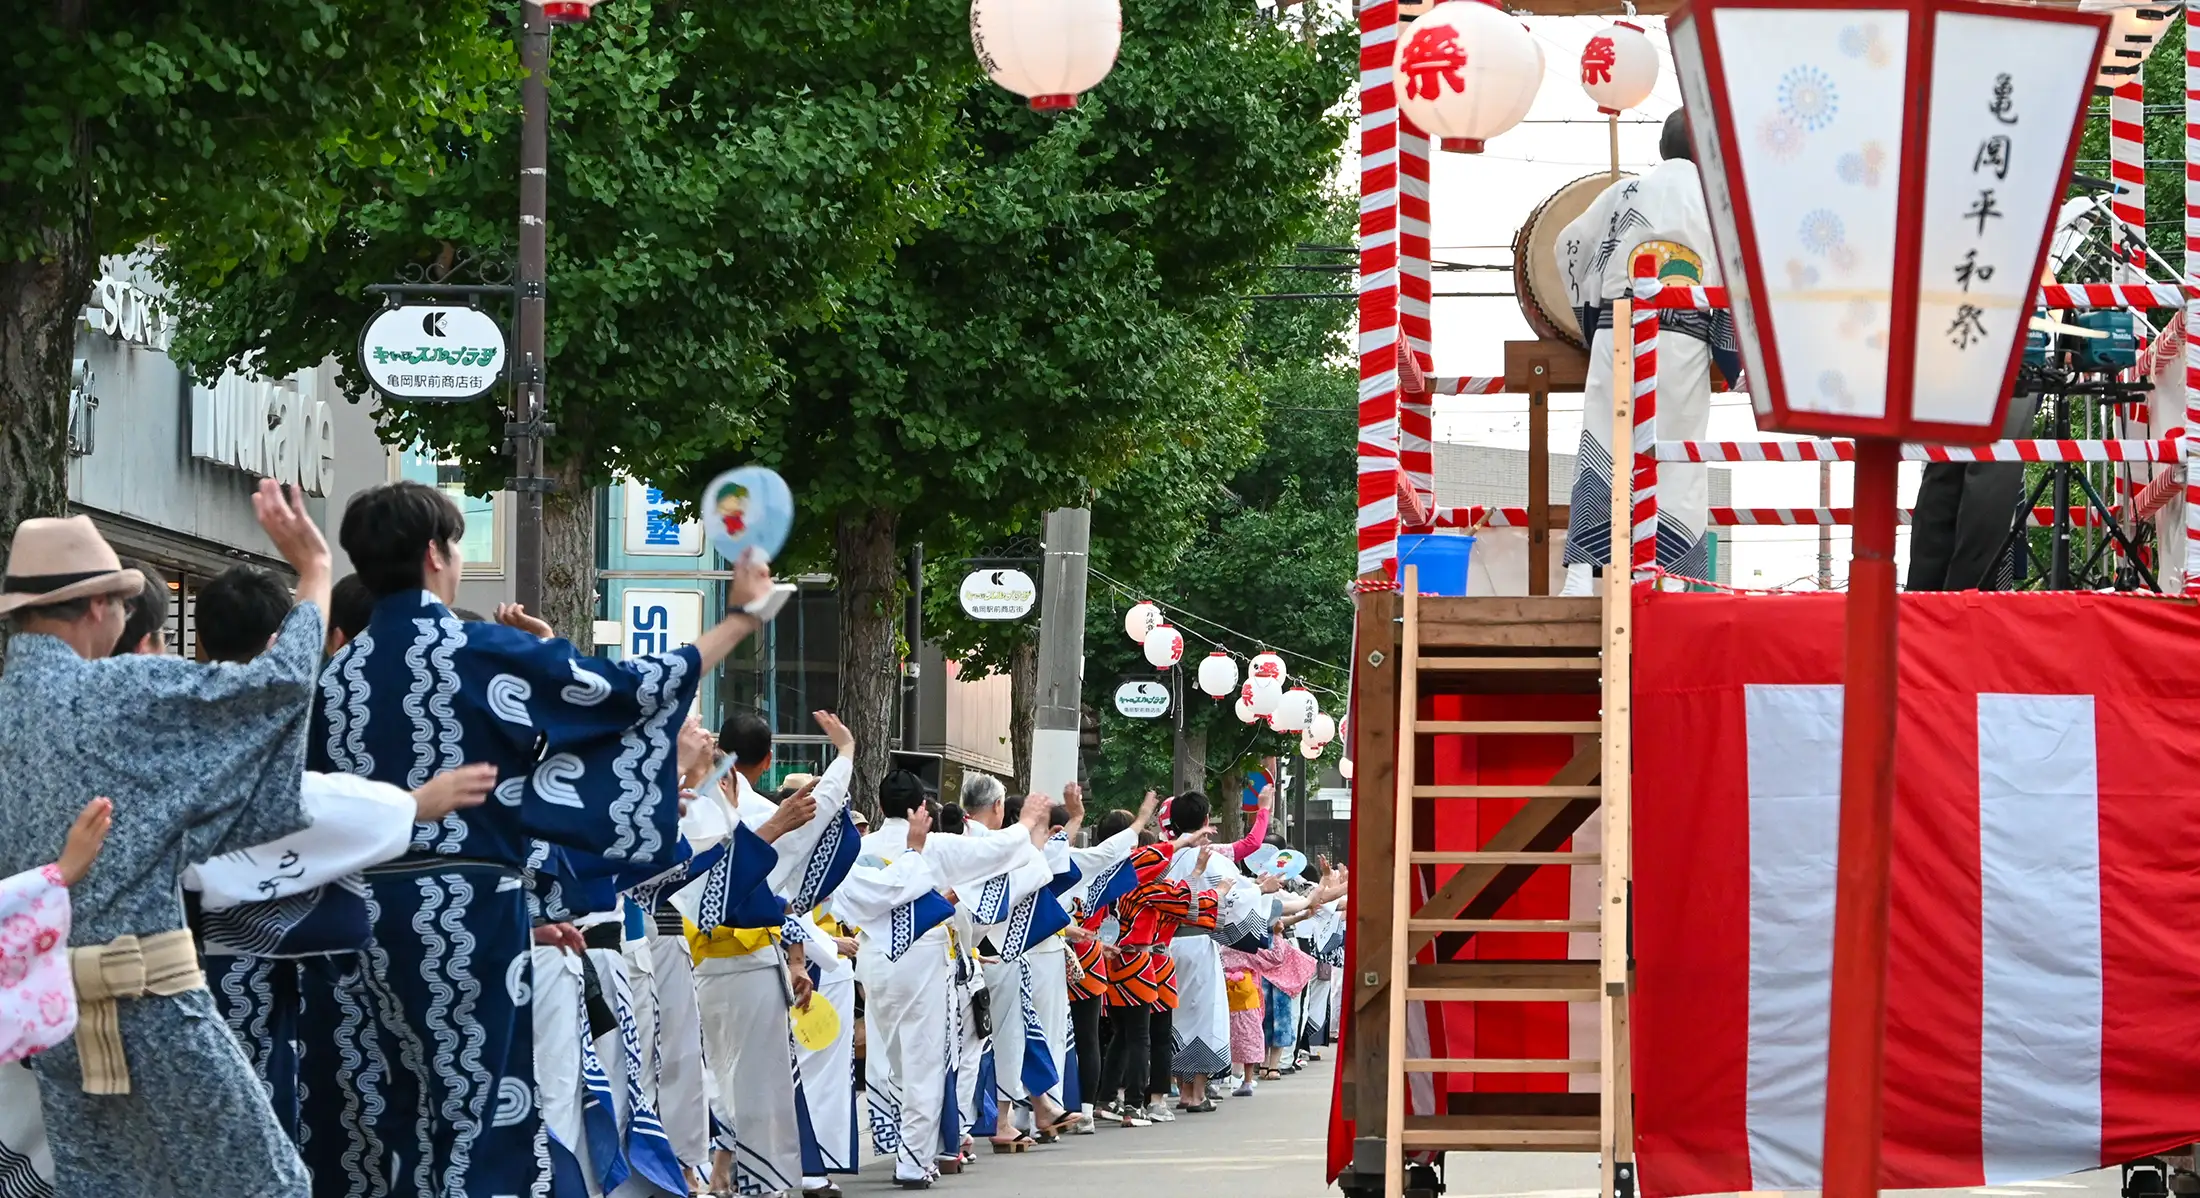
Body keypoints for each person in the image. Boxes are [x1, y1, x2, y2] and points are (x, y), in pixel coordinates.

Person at [308, 479, 781, 1198]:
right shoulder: (475, 649)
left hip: (351, 913)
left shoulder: (334, 677)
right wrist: (739, 618)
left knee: (379, 1119)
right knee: (477, 1113)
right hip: (466, 910)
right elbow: (626, 689)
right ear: (437, 554)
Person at [0, 485, 329, 1197]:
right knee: (265, 1185)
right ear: (96, 606)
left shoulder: (9, 709)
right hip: (148, 995)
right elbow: (275, 688)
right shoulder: (119, 692)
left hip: (50, 1013)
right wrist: (315, 574)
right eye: (121, 603)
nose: (123, 618)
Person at [175, 564, 496, 1154]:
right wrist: (412, 805)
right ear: (280, 645)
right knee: (257, 1123)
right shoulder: (283, 726)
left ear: (196, 640)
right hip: (250, 951)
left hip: (158, 956)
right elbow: (318, 808)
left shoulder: (167, 717)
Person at [836, 774, 1050, 1189]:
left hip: (873, 959)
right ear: (922, 809)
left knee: (892, 1056)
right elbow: (997, 850)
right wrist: (1025, 823)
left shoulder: (860, 850)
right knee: (925, 1059)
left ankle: (904, 1142)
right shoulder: (935, 847)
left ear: (880, 808)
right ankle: (914, 1159)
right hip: (922, 957)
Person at [1557, 107, 1735, 594]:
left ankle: (1580, 576)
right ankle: (1671, 582)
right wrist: (1729, 351)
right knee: (1676, 451)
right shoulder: (1720, 201)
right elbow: (1737, 270)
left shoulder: (1624, 192)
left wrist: (1591, 318)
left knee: (1603, 441)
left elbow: (1568, 243)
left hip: (1619, 331)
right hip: (1683, 339)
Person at [683, 707, 855, 1198]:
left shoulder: (748, 806)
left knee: (760, 1082)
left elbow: (814, 813)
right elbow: (714, 881)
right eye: (692, 730)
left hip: (758, 961)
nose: (704, 737)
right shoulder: (685, 809)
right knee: (713, 1077)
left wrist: (844, 755)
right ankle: (708, 1173)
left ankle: (755, 1181)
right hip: (697, 961)